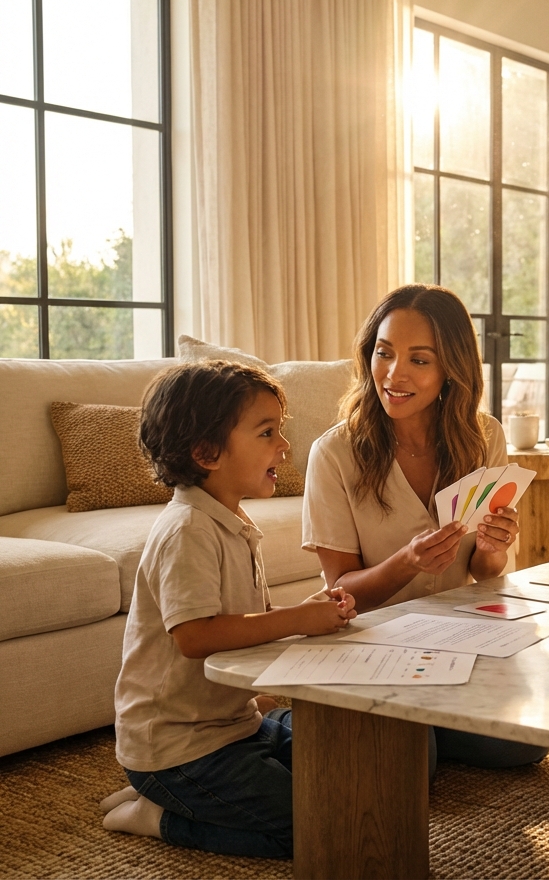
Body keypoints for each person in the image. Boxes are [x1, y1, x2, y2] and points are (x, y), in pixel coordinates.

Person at [102, 361, 357, 857]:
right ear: (206, 452)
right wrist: (296, 621)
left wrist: (303, 612)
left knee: (349, 777)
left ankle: (188, 798)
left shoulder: (230, 520)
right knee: (319, 826)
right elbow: (196, 636)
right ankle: (159, 814)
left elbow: (246, 622)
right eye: (267, 432)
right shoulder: (187, 530)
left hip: (235, 728)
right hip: (178, 750)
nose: (283, 445)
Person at [303, 284, 547, 770]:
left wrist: (496, 549)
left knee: (525, 746)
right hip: (375, 637)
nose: (394, 374)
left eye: (419, 360)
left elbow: (485, 572)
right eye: (384, 353)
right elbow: (339, 593)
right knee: (415, 765)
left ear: (450, 369)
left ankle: (412, 719)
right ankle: (369, 719)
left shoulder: (485, 437)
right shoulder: (333, 454)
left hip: (457, 634)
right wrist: (405, 563)